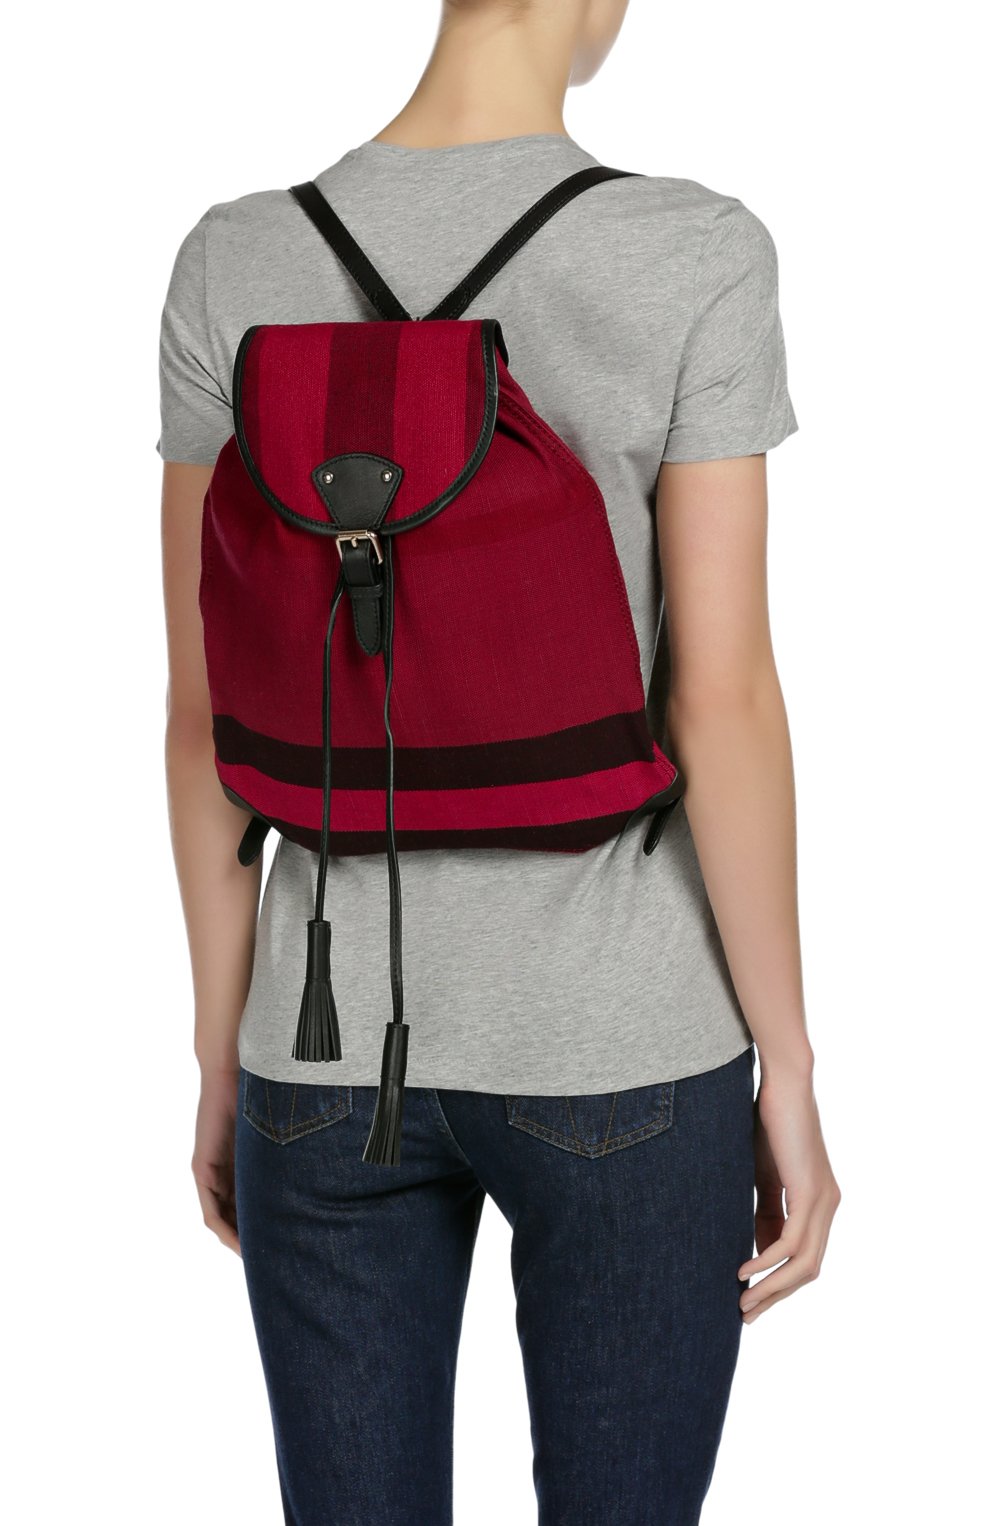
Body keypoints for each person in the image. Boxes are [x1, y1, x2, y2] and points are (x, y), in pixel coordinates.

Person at [157, 0, 841, 1520]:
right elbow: (722, 698)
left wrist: (220, 1051)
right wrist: (788, 1064)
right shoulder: (693, 250)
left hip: (317, 1049)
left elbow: (205, 711)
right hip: (626, 1046)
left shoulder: (231, 257)